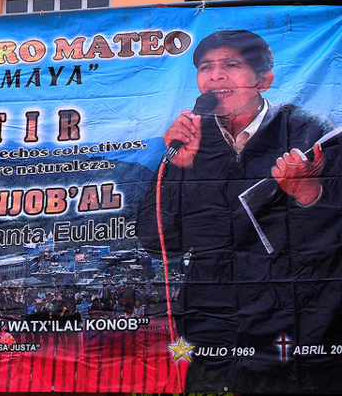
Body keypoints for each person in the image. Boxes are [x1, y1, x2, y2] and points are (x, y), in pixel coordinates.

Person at [136, 29, 342, 393]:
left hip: (296, 326)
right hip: (211, 327)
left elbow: (333, 237)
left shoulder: (307, 131)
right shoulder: (189, 138)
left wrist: (309, 194)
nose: (215, 76)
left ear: (264, 80)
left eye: (231, 65)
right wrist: (177, 170)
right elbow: (156, 240)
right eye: (206, 67)